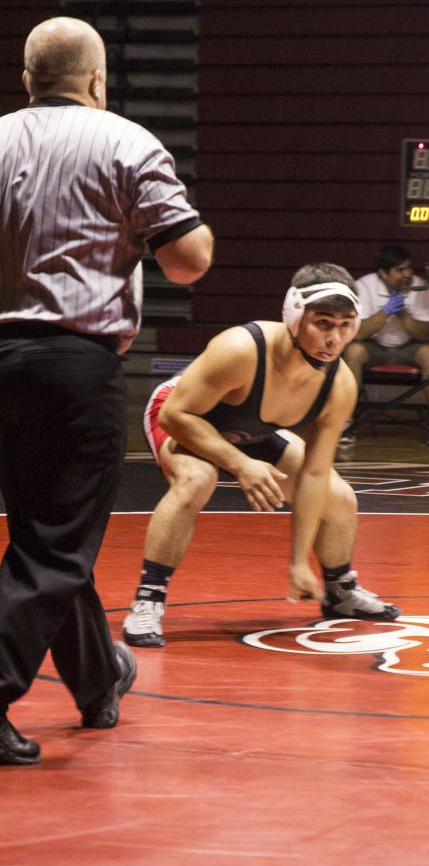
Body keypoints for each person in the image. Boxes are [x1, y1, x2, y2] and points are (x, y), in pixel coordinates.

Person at [0, 17, 214, 765]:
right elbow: (187, 260)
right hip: (71, 365)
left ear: (28, 79)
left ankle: (97, 681)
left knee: (48, 537)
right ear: (97, 80)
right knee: (54, 546)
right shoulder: (125, 141)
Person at [122, 263, 400, 649]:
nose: (334, 338)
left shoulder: (339, 384)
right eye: (323, 323)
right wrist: (239, 463)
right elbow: (176, 416)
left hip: (254, 429)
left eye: (345, 324)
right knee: (197, 481)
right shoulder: (241, 349)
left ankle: (339, 590)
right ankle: (148, 600)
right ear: (294, 316)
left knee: (340, 498)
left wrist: (299, 562)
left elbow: (315, 477)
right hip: (188, 415)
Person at [341, 244, 429, 446]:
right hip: (375, 345)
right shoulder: (363, 286)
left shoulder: (421, 286)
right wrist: (385, 312)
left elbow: (426, 334)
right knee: (353, 351)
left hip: (409, 347)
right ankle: (346, 423)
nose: (407, 274)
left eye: (408, 268)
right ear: (383, 273)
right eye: (400, 270)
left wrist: (403, 314)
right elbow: (359, 332)